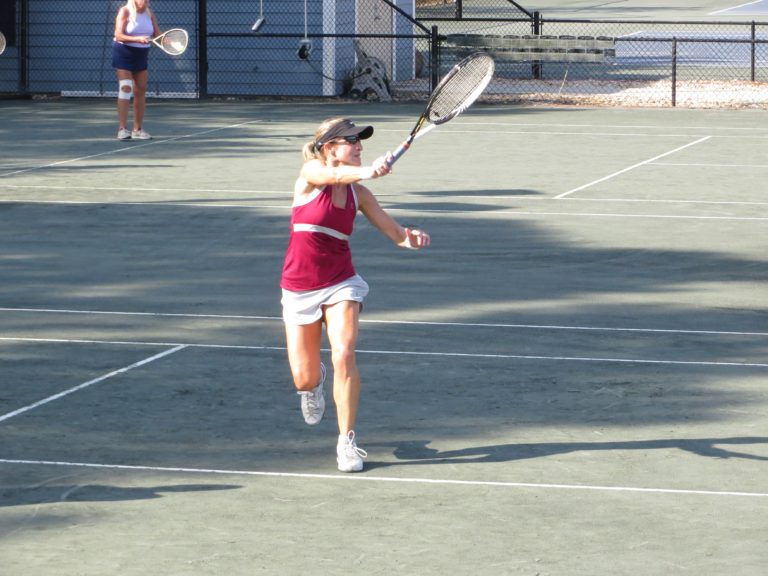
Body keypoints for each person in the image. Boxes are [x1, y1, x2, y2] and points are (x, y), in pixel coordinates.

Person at [281, 117, 430, 473]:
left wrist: (411, 238)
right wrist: (367, 172)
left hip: (340, 281)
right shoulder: (311, 173)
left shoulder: (359, 195)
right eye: (353, 141)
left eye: (361, 141)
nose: (360, 146)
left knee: (344, 352)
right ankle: (312, 383)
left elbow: (395, 233)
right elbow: (332, 177)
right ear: (331, 147)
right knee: (303, 378)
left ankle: (346, 441)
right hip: (299, 286)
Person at [111, 0, 161, 140]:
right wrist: (138, 39)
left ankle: (137, 130)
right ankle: (122, 129)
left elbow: (158, 34)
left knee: (140, 90)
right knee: (126, 88)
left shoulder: (149, 13)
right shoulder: (125, 11)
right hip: (123, 52)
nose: (145, 1)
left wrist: (170, 43)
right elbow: (119, 35)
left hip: (141, 55)